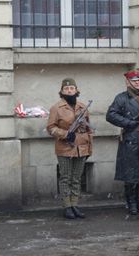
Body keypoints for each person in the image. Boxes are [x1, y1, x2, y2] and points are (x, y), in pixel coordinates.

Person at [106, 69, 139, 215]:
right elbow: (110, 115)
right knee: (130, 174)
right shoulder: (121, 98)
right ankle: (131, 204)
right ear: (128, 82)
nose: (137, 83)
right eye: (134, 81)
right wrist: (128, 123)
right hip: (131, 139)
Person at [46, 78, 93, 219]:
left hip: (81, 147)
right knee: (66, 177)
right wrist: (66, 134)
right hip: (65, 147)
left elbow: (89, 129)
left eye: (72, 88)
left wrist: (89, 147)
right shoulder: (56, 108)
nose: (69, 91)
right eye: (66, 89)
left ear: (76, 90)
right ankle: (67, 206)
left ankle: (75, 204)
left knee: (77, 177)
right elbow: (50, 128)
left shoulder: (82, 107)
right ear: (61, 91)